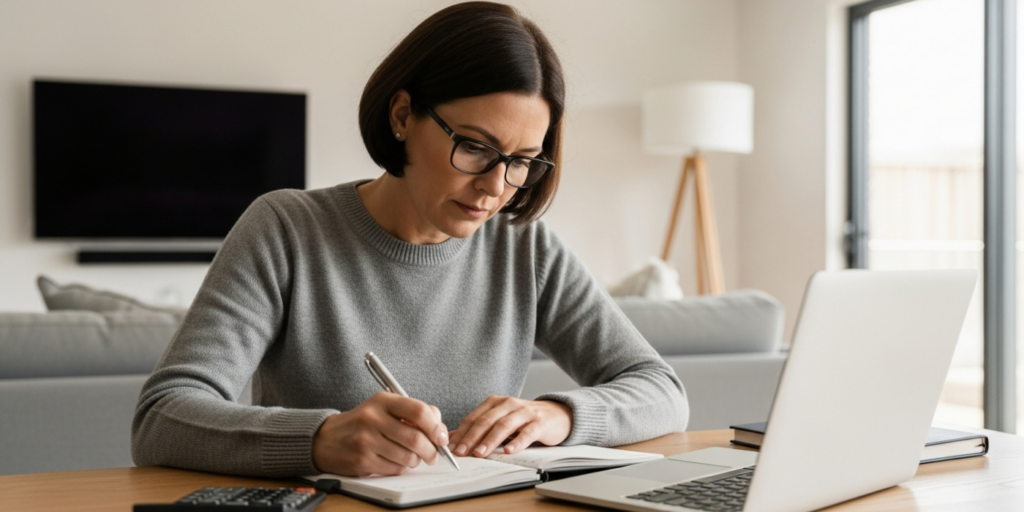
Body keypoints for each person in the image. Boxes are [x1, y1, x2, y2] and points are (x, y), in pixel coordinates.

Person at [131, 1, 688, 479]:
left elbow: (662, 391)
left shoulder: (524, 248)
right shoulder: (286, 229)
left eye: (521, 162)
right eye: (475, 148)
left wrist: (561, 416)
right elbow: (162, 419)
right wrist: (320, 438)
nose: (495, 187)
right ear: (403, 116)